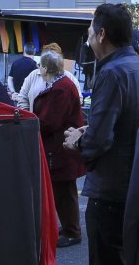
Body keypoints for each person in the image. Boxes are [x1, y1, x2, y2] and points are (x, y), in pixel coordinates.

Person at [64, 3, 139, 265]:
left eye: (89, 33)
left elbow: (99, 141)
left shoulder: (110, 73)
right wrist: (91, 129)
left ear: (102, 35)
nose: (87, 40)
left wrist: (79, 140)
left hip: (110, 192)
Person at [31, 50, 85, 249]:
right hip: (63, 148)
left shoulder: (60, 88)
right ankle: (70, 227)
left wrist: (33, 122)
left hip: (60, 149)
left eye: (40, 66)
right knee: (64, 191)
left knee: (64, 192)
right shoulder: (63, 84)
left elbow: (50, 121)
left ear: (45, 68)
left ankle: (72, 231)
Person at [16, 42, 77, 110]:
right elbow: (22, 98)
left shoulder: (69, 78)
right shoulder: (33, 75)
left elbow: (77, 100)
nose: (38, 65)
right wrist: (29, 117)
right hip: (34, 119)